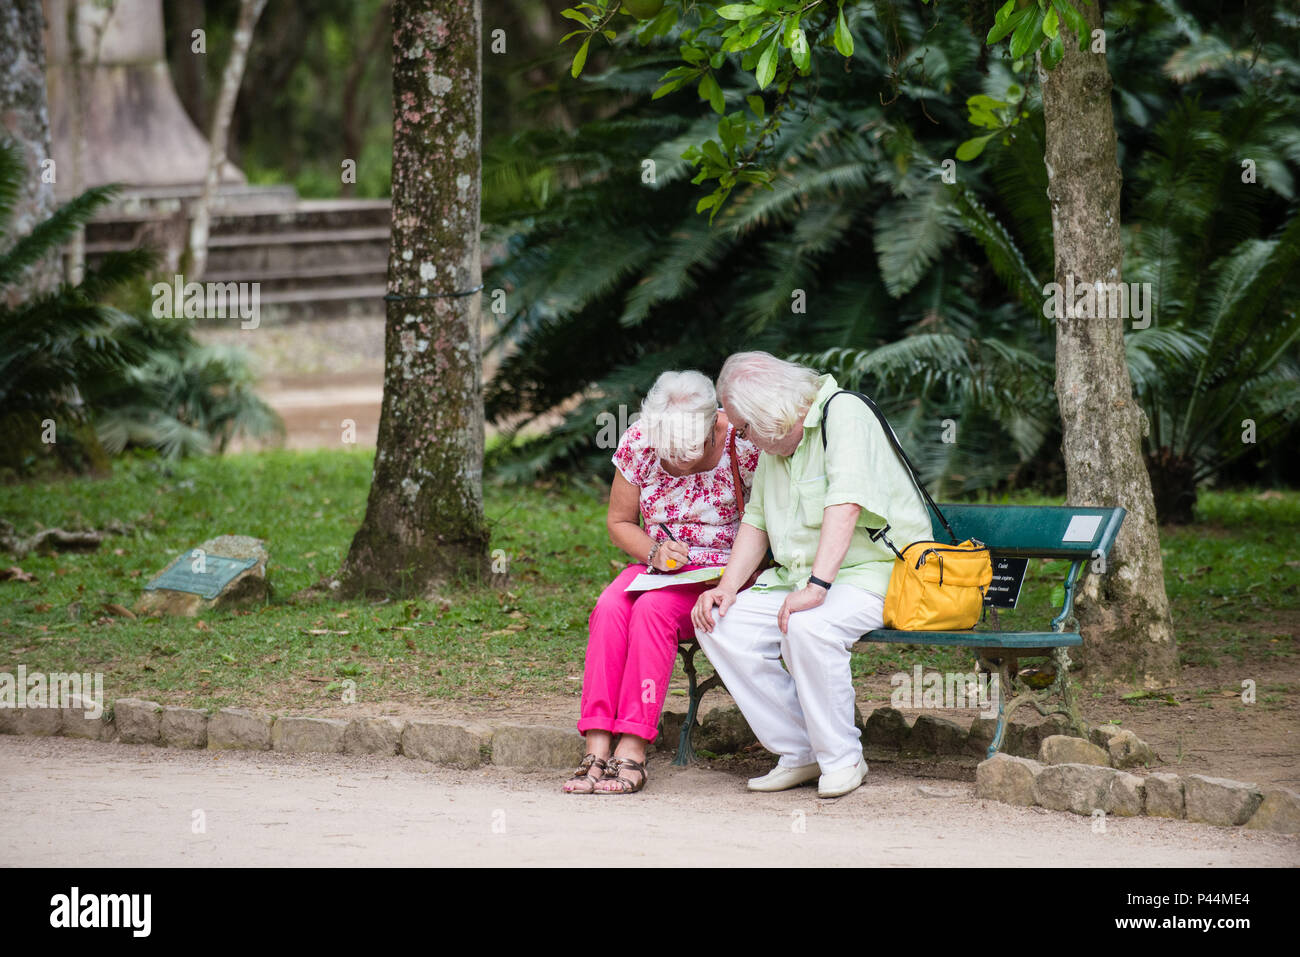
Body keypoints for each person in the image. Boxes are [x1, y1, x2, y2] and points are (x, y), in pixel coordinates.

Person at [691, 352, 931, 798]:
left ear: (770, 409)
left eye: (744, 428)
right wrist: (725, 589)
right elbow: (757, 520)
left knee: (809, 625)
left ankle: (841, 758)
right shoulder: (779, 441)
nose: (744, 439)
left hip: (874, 573)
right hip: (800, 578)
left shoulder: (845, 413)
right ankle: (800, 749)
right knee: (720, 622)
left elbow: (847, 503)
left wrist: (818, 587)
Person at [565, 370, 759, 795]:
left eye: (689, 448)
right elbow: (619, 523)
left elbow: (766, 525)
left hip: (724, 574)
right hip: (659, 567)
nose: (679, 460)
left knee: (651, 612)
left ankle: (632, 748)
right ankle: (596, 743)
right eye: (669, 449)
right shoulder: (641, 440)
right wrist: (653, 551)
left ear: (712, 424)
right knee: (611, 605)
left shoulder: (742, 443)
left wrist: (729, 575)